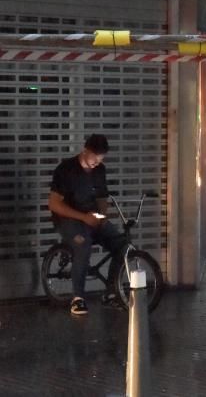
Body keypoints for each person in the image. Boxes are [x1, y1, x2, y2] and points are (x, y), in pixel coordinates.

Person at [48, 134, 126, 315]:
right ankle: (78, 298)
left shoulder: (100, 170)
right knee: (83, 245)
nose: (96, 163)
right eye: (94, 158)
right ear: (85, 151)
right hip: (68, 219)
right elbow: (54, 204)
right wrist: (83, 217)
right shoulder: (66, 169)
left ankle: (112, 293)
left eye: (100, 159)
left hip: (91, 217)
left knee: (122, 244)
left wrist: (102, 217)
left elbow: (101, 198)